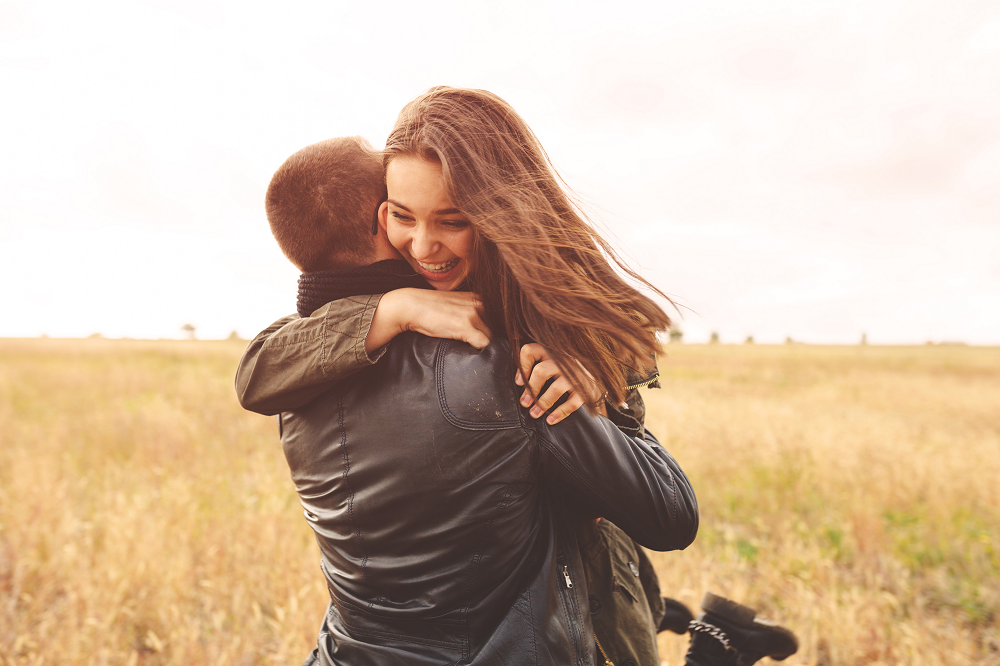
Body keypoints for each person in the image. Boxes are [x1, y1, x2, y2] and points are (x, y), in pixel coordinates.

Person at [239, 88, 797, 665]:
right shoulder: (365, 336)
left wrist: (596, 380)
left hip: (589, 574)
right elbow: (257, 371)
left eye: (452, 221)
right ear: (380, 217)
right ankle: (716, 643)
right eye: (402, 215)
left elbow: (626, 353)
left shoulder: (527, 320)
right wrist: (393, 308)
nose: (424, 246)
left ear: (498, 213)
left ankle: (708, 638)